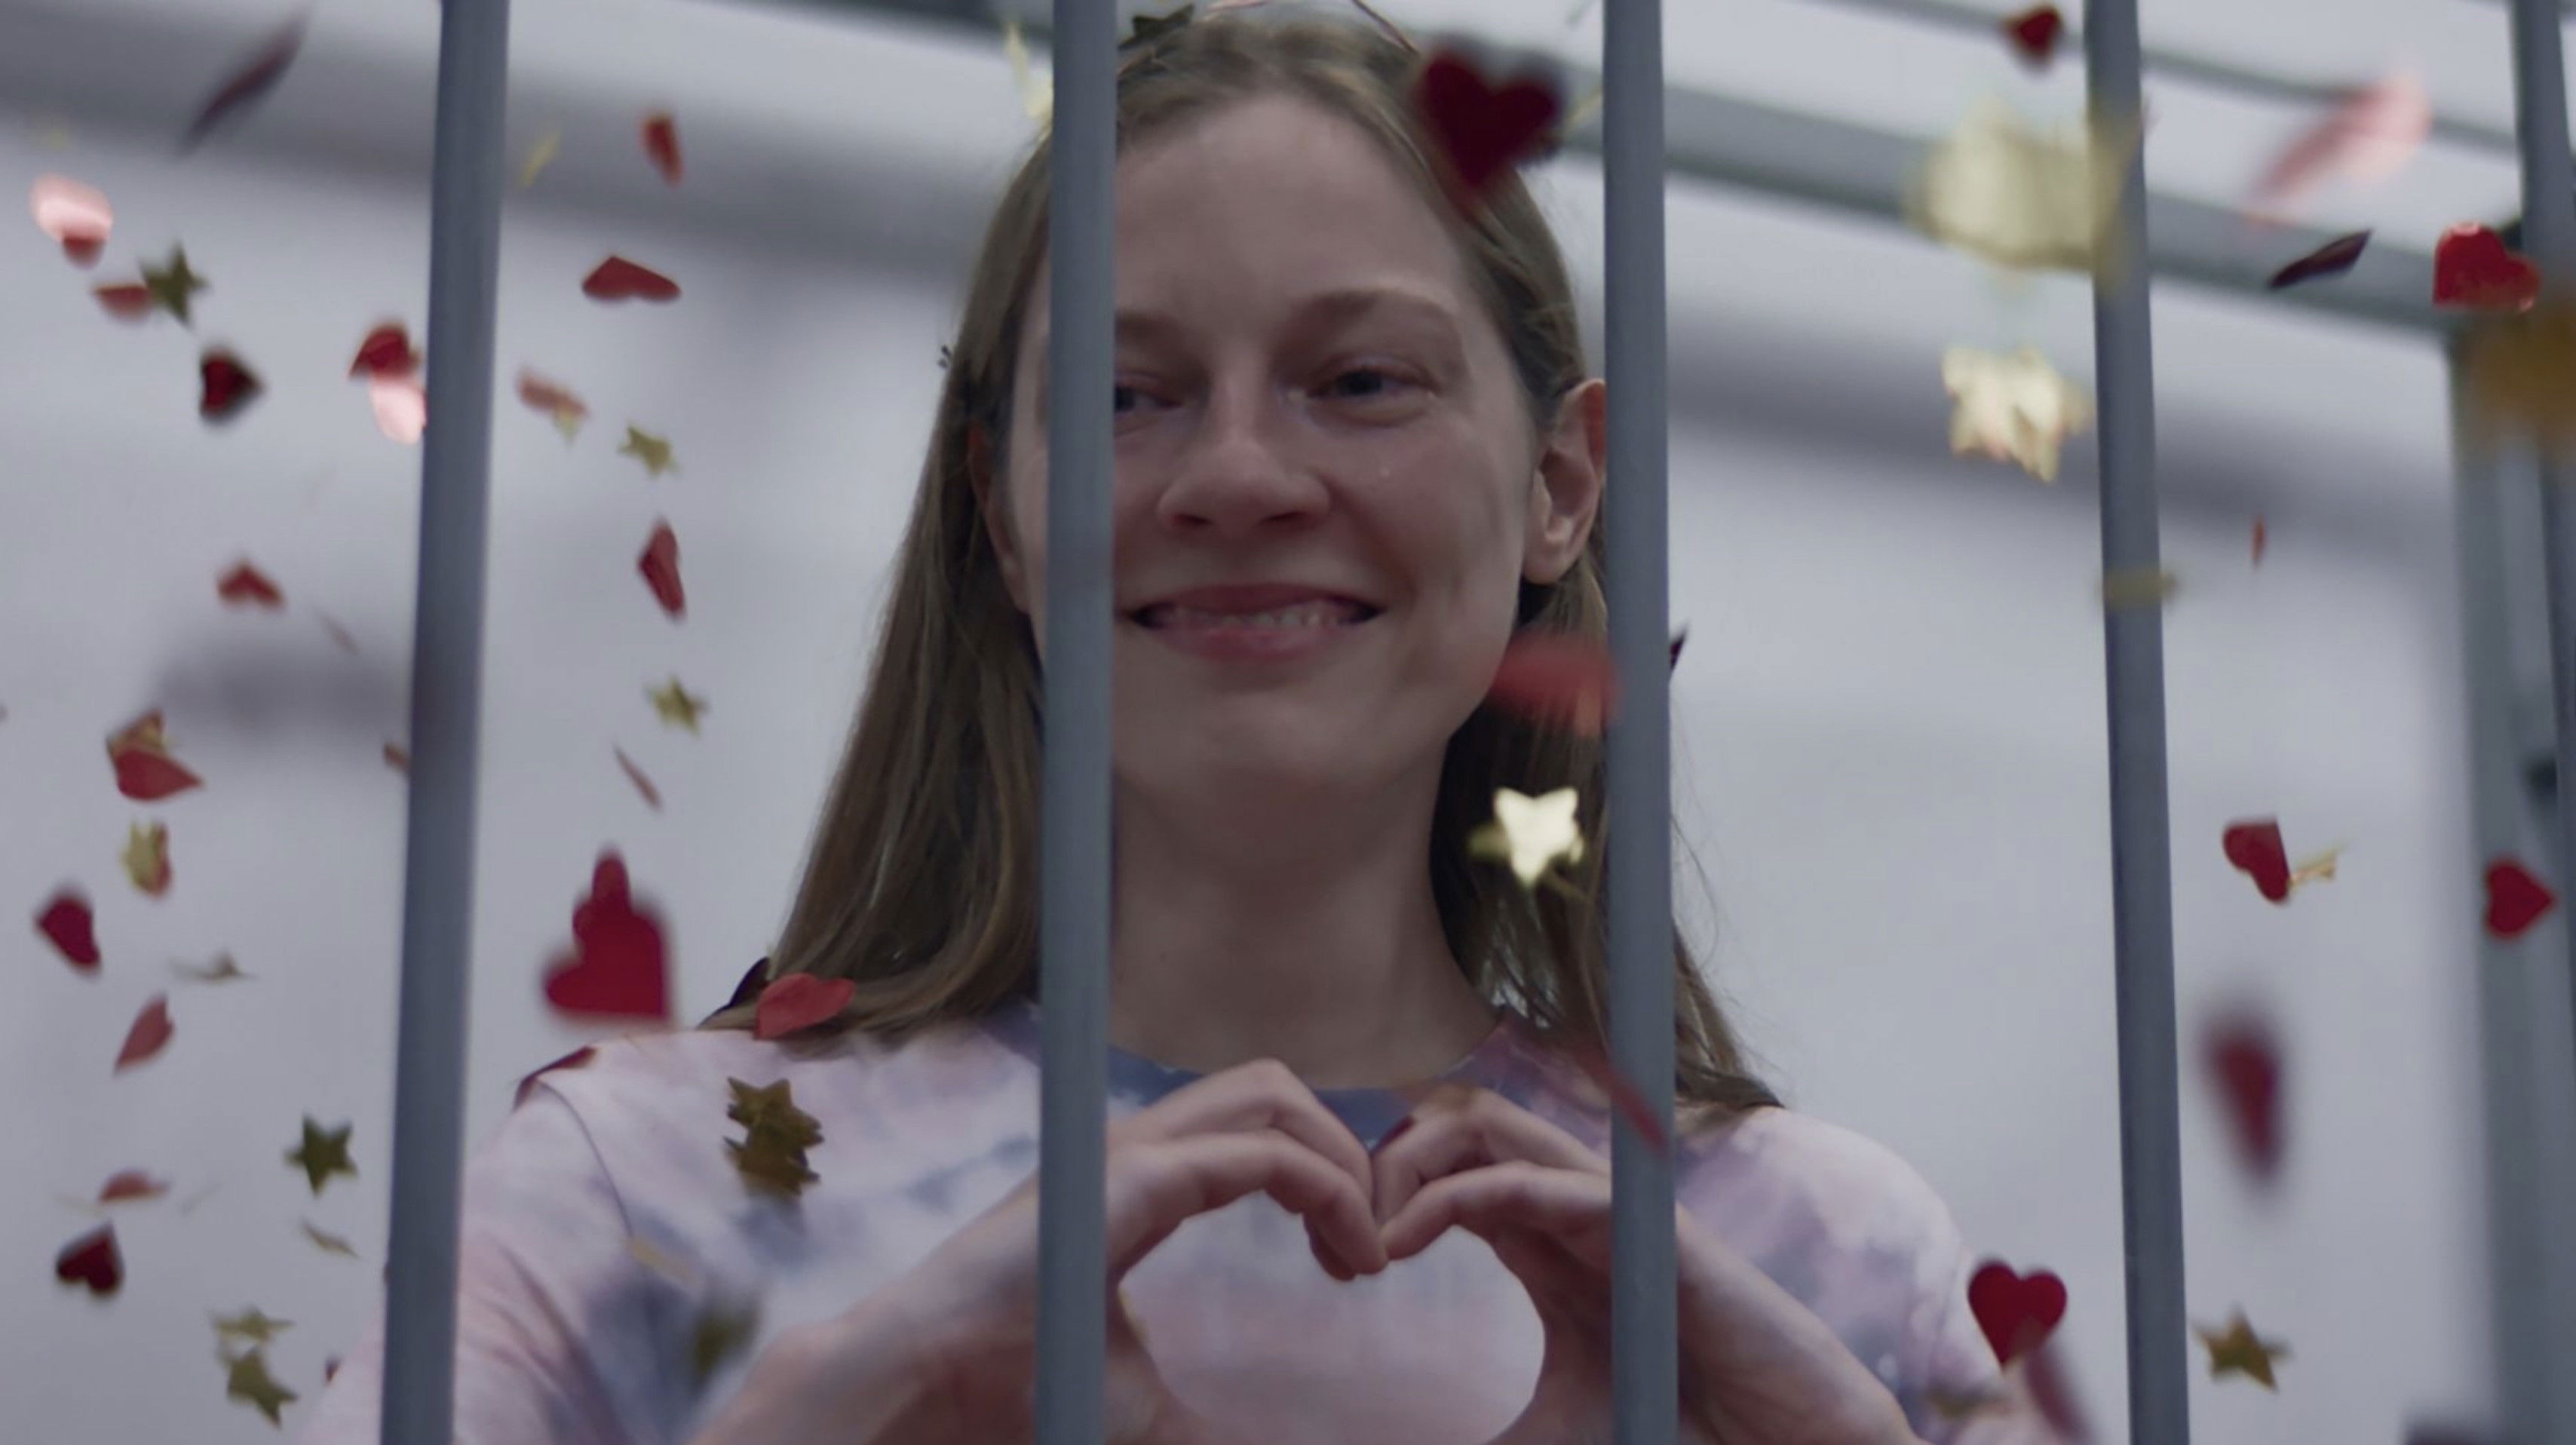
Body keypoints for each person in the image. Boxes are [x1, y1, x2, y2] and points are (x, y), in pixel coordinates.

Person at [296, 6, 2063, 1443]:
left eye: (1359, 380)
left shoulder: (1819, 1258)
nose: (1235, 474)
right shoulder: (641, 1189)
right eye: (1127, 394)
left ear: (1561, 483)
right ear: (999, 511)